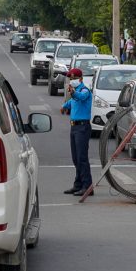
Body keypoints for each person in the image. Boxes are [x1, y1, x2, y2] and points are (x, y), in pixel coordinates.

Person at [60, 68, 93, 197]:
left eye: (74, 78)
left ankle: (87, 186)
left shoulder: (84, 90)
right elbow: (72, 102)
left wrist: (73, 93)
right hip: (74, 128)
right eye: (70, 78)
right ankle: (78, 184)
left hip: (82, 127)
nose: (71, 81)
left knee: (82, 158)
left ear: (80, 79)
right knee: (76, 158)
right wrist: (64, 106)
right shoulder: (74, 92)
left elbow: (81, 97)